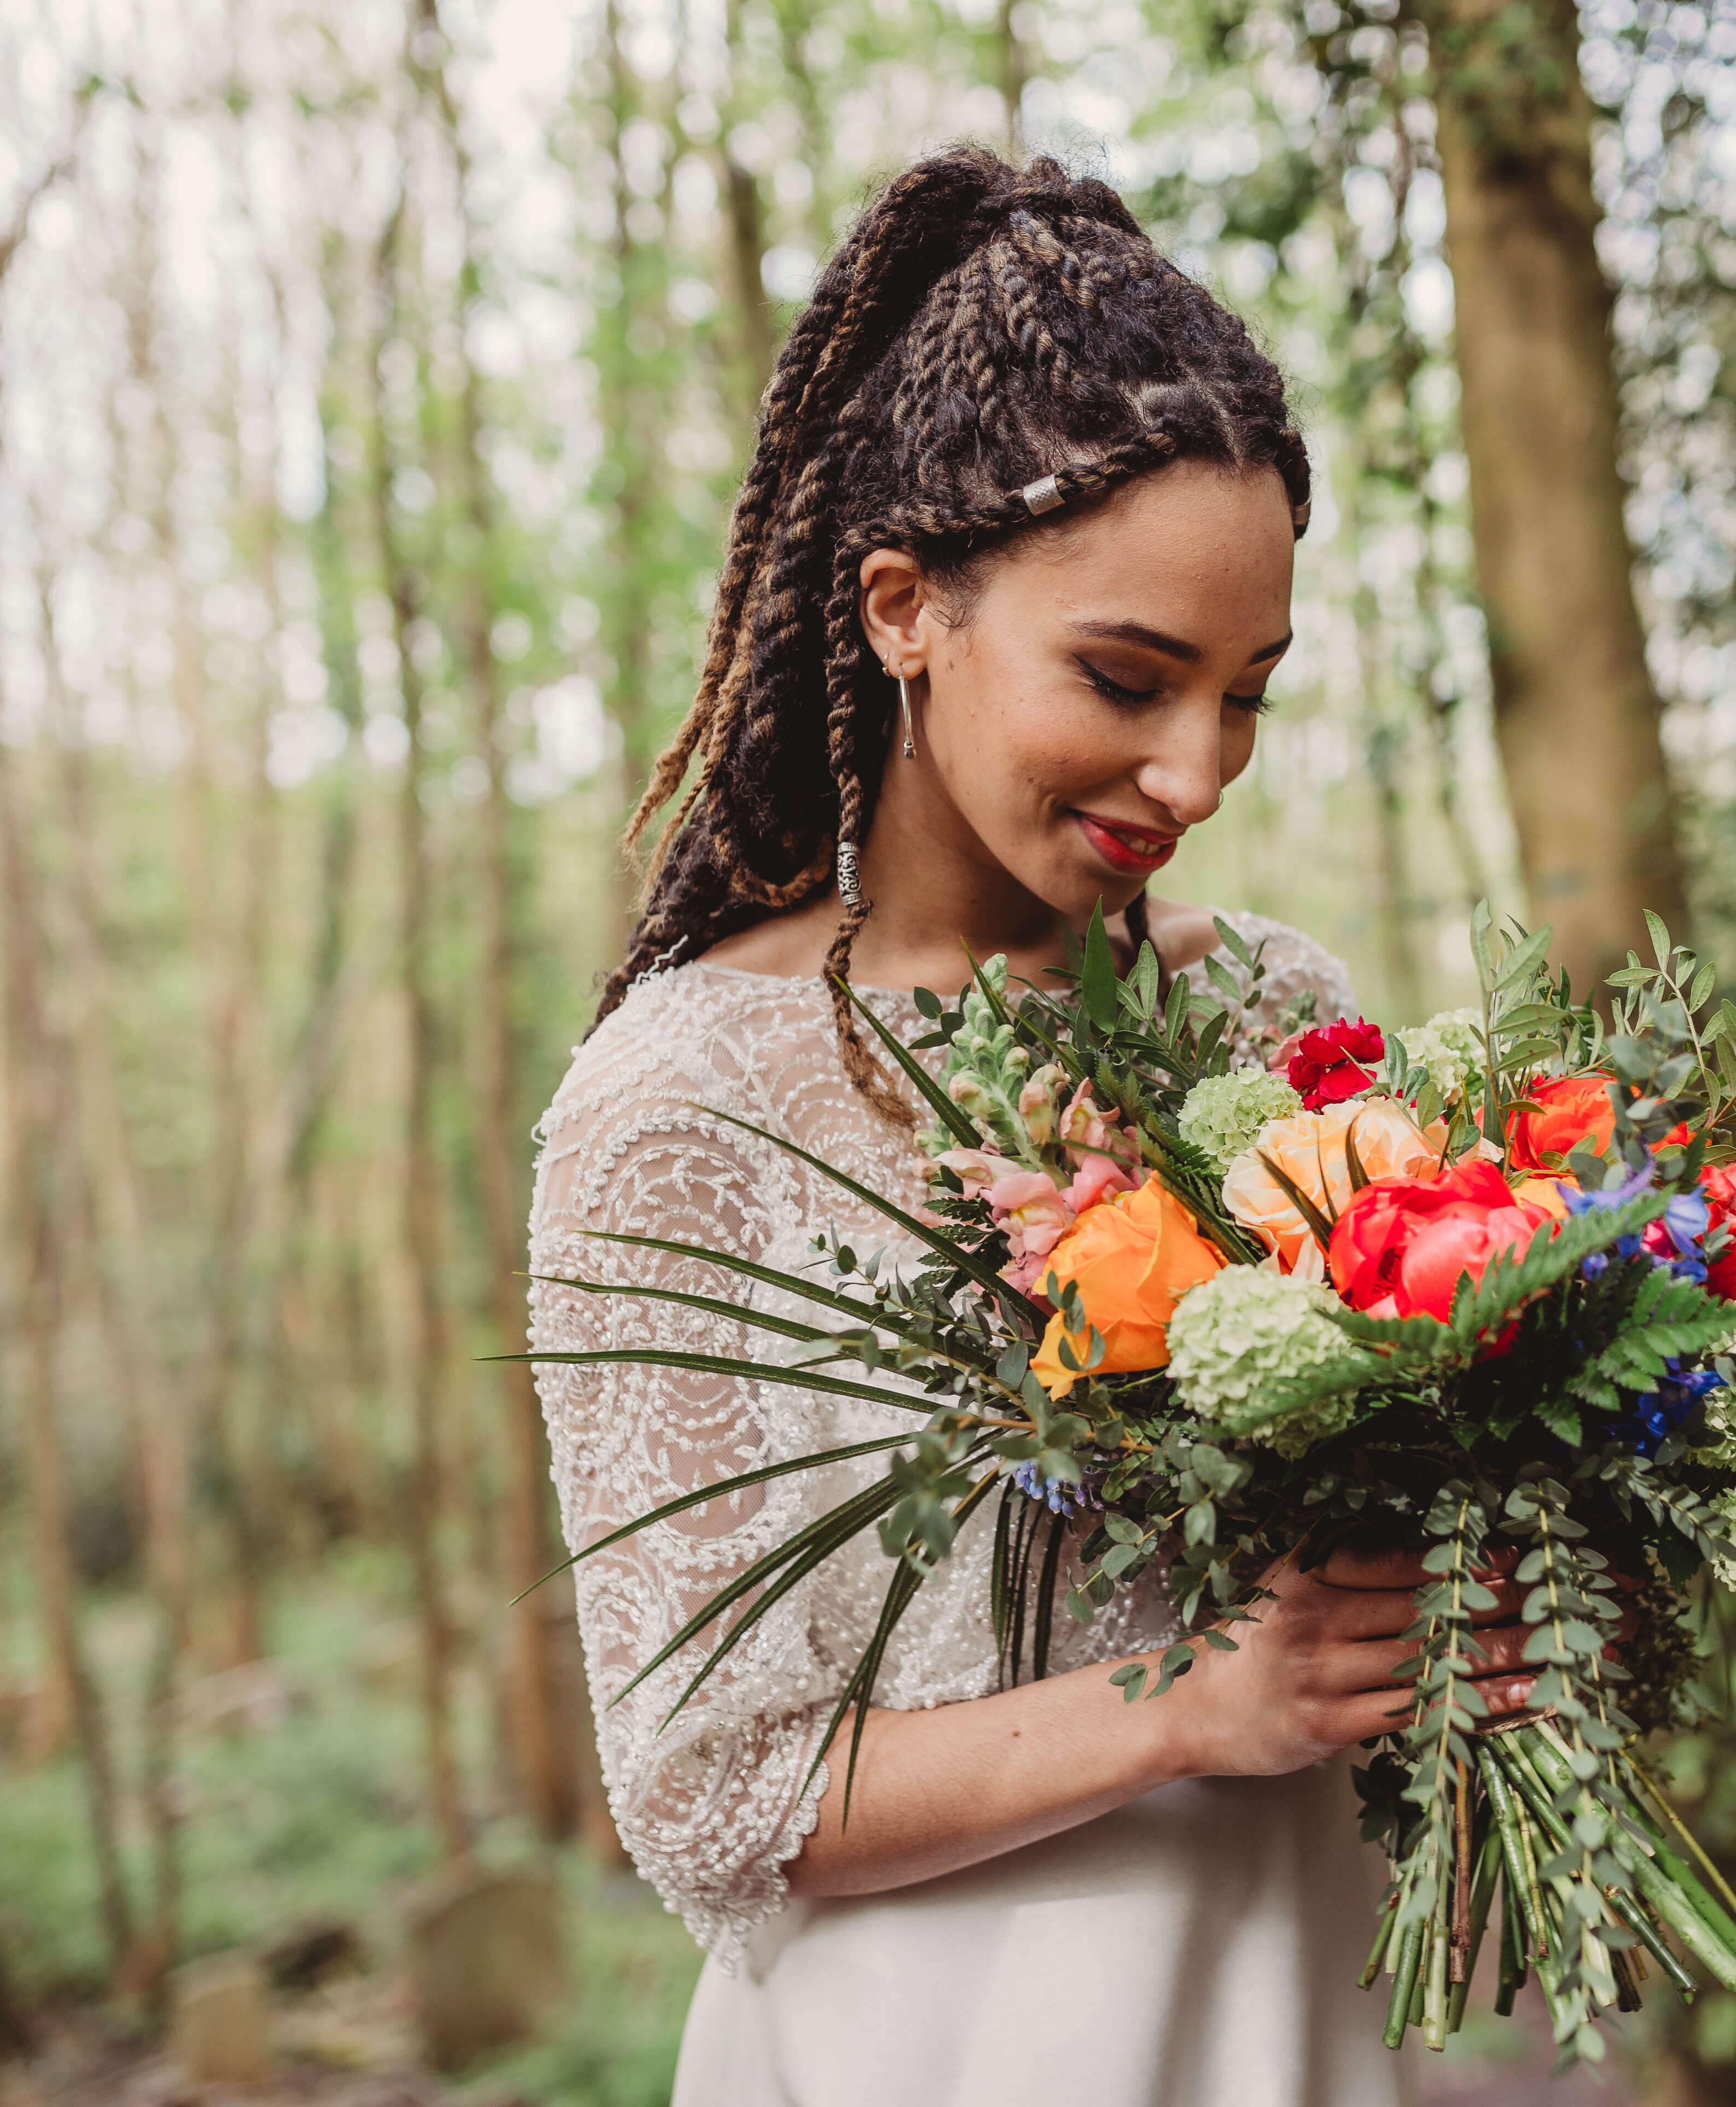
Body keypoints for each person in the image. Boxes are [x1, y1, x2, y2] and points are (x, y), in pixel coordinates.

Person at [526, 149, 1537, 2107]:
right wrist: (1197, 1708)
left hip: (1296, 2012)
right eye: (1129, 678)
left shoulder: (1276, 1017)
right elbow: (710, 1794)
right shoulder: (677, 1106)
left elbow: (1362, 1558)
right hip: (935, 2049)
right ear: (905, 607)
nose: (1196, 772)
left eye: (1245, 697)